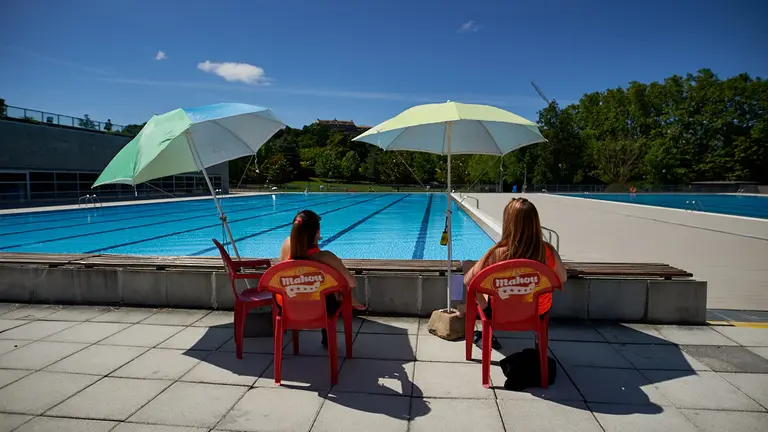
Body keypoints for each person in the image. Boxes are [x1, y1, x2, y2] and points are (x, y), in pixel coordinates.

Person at [461, 198, 567, 349]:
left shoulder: (496, 254)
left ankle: (483, 323)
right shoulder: (548, 251)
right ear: (535, 223)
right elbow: (562, 278)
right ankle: (539, 337)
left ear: (508, 223)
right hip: (538, 313)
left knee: (468, 267)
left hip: (498, 313)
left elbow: (468, 281)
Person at [278, 210, 365, 345]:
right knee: (330, 289)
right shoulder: (325, 257)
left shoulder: (286, 244)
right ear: (317, 232)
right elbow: (352, 282)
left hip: (288, 306)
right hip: (320, 310)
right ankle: (327, 333)